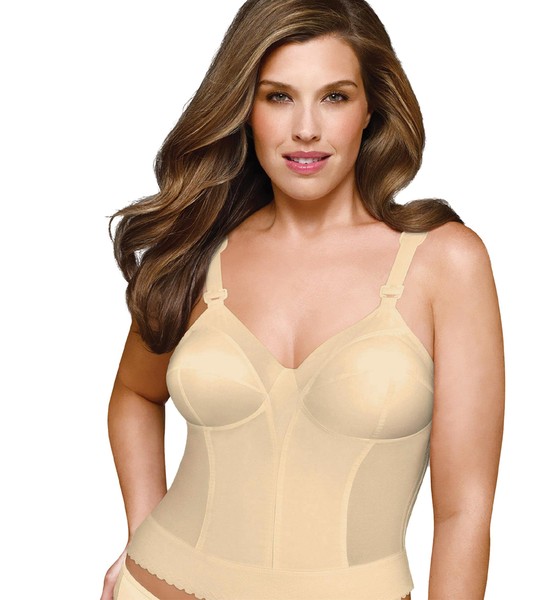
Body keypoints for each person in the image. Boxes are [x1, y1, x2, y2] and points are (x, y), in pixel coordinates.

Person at [101, 0, 505, 598]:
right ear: (245, 108)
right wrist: (141, 531)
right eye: (279, 97)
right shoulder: (199, 250)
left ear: (371, 107)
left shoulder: (443, 262)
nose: (307, 129)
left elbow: (464, 511)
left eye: (335, 96)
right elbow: (135, 393)